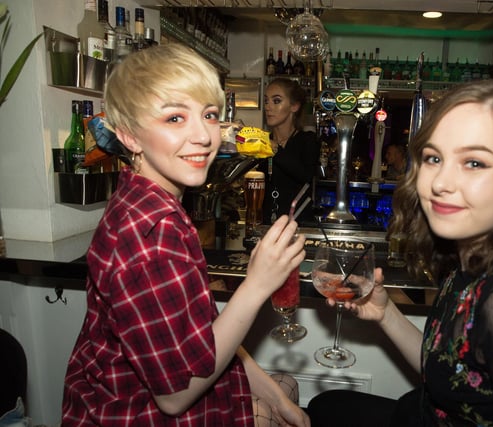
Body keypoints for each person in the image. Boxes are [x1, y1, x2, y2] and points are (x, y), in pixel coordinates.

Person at [307, 79, 493, 427]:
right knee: (325, 405)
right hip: (415, 413)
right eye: (433, 158)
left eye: (474, 163)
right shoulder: (471, 262)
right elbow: (452, 374)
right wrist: (386, 315)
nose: (440, 182)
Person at [61, 44, 310, 427]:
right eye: (175, 118)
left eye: (209, 115)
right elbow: (175, 395)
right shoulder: (152, 232)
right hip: (136, 414)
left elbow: (196, 334)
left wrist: (276, 397)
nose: (203, 137)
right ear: (129, 135)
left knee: (287, 388)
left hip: (114, 400)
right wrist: (258, 284)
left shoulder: (151, 203)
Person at [260, 78, 319, 224]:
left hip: (298, 224)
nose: (268, 107)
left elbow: (304, 175)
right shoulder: (262, 141)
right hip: (266, 224)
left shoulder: (307, 140)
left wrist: (275, 149)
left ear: (294, 106)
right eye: (266, 101)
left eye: (276, 101)